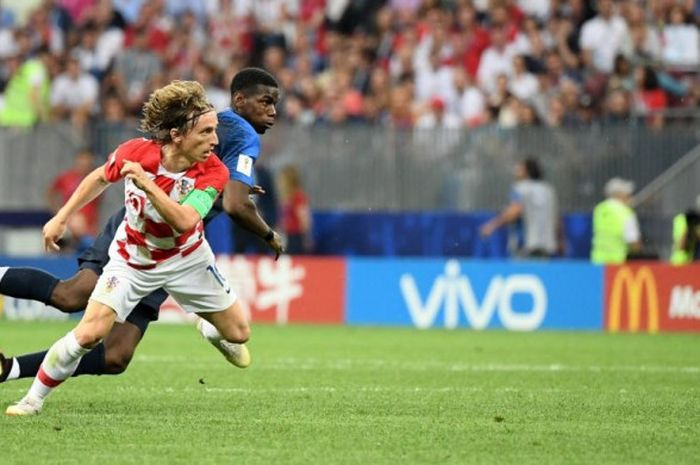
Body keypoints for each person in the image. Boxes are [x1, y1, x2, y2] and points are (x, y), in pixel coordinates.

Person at [0, 68, 283, 390]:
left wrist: (237, 187)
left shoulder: (218, 125)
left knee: (116, 356)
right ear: (239, 100)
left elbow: (213, 180)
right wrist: (269, 235)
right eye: (266, 101)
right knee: (72, 295)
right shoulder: (239, 133)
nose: (273, 111)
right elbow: (236, 204)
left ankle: (8, 369)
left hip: (175, 250)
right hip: (138, 232)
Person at [480, 158, 560, 258]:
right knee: (538, 272)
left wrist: (492, 226)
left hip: (525, 246)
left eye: (520, 168)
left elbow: (515, 211)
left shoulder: (520, 188)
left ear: (527, 171)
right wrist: (561, 240)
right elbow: (556, 219)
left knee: (523, 272)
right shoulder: (548, 190)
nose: (516, 171)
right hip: (545, 245)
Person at [46, 148, 101, 252]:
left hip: (88, 229)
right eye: (82, 160)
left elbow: (97, 204)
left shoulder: (97, 179)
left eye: (87, 160)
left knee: (89, 253)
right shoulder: (66, 178)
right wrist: (57, 212)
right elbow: (51, 192)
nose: (84, 163)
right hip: (69, 226)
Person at [590, 177, 641, 264]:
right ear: (619, 194)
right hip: (618, 263)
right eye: (627, 194)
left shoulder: (599, 209)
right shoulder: (626, 212)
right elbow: (633, 241)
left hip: (597, 262)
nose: (630, 196)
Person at [279, 164, 312, 255]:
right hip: (287, 235)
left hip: (296, 236)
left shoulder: (298, 196)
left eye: (282, 180)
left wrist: (306, 237)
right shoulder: (286, 197)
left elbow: (304, 218)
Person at [670, 196, 700, 265]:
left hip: (692, 263)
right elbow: (681, 246)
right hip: (679, 263)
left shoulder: (697, 222)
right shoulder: (681, 220)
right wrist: (689, 228)